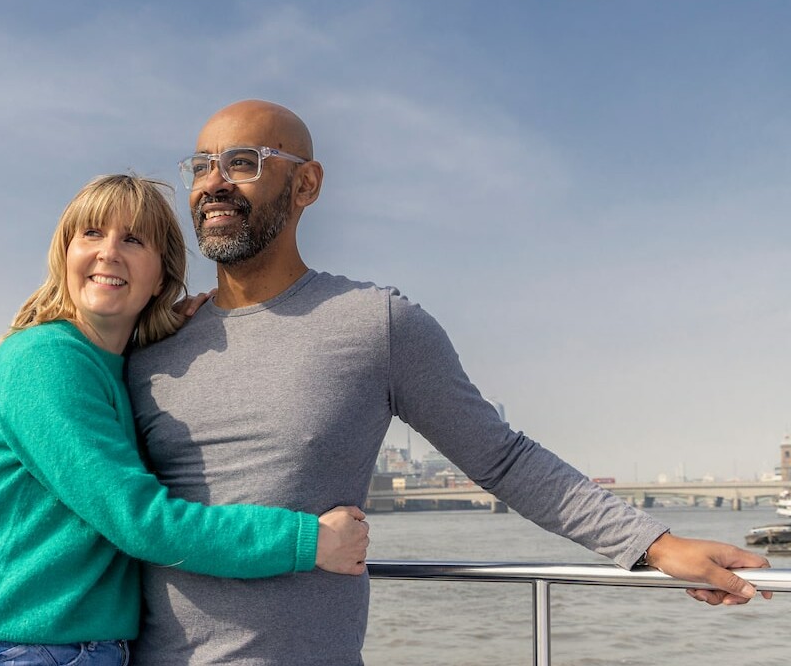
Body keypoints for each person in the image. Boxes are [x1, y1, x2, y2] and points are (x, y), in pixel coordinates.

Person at [126, 100, 772, 665]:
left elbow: (503, 458)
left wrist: (654, 544)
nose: (212, 183)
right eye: (201, 165)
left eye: (242, 161)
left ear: (307, 184)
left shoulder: (375, 324)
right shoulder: (152, 339)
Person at [0, 173, 369, 666]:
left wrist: (171, 332)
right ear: (64, 254)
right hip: (21, 651)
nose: (109, 253)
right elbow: (141, 522)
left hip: (64, 649)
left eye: (133, 240)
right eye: (91, 234)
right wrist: (309, 542)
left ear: (160, 276)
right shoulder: (45, 361)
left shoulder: (108, 367)